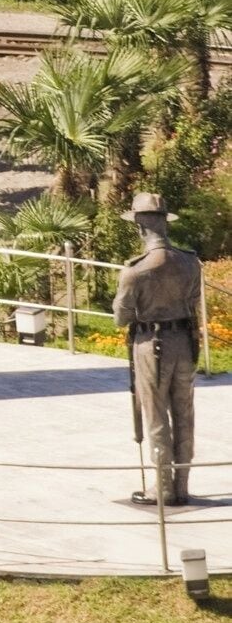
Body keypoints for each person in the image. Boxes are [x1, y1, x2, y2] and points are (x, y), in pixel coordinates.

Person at [117, 189, 202, 507]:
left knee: (155, 417)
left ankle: (162, 488)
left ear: (139, 227)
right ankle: (181, 485)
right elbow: (193, 302)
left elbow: (120, 317)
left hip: (150, 344)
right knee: (184, 415)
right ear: (166, 224)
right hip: (185, 342)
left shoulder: (135, 270)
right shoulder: (191, 262)